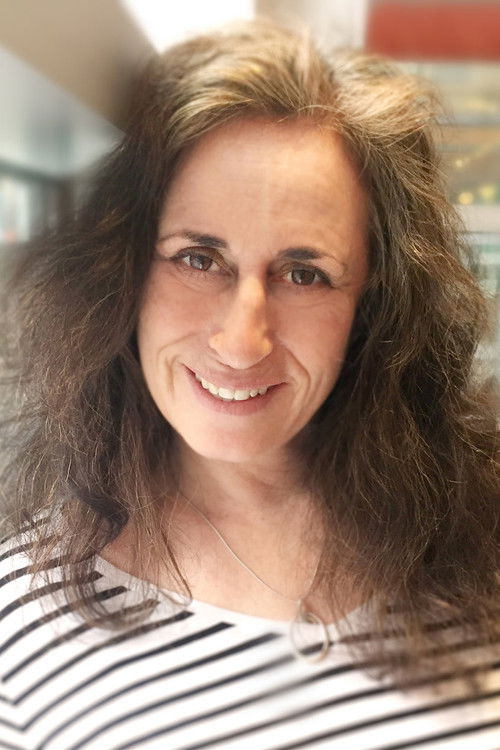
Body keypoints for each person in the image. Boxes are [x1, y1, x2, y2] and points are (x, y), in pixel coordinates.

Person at [1, 19, 499, 750]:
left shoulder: (479, 525)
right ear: (123, 271)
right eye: (198, 258)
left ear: (373, 305)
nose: (242, 342)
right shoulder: (19, 621)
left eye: (305, 274)